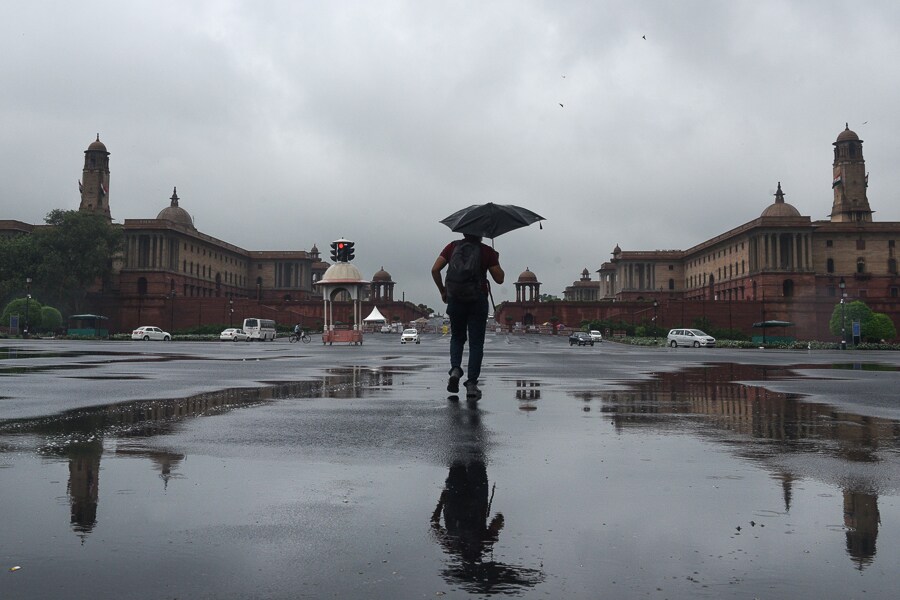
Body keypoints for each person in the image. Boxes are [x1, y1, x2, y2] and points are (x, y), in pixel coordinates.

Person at [431, 233, 504, 399]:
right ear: (481, 234)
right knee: (476, 343)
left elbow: (435, 269)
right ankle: (471, 384)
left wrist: (443, 291)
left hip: (455, 300)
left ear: (463, 232)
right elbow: (499, 279)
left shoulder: (452, 247)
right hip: (477, 300)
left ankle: (455, 370)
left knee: (457, 338)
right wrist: (495, 260)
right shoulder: (486, 251)